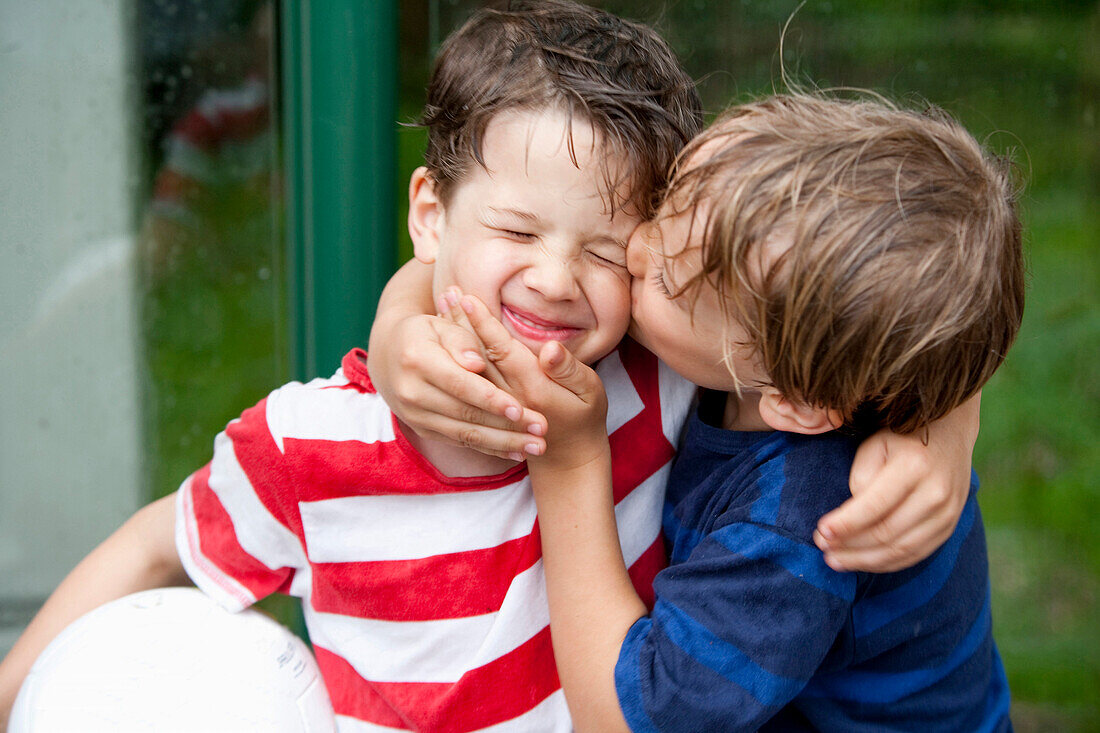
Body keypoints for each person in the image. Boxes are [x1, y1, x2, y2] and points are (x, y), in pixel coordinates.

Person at [0, 2, 704, 730]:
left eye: (604, 252)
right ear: (430, 215)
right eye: (516, 229)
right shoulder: (308, 442)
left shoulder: (653, 385)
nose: (557, 279)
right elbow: (157, 546)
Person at [436, 92, 1023, 731]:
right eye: (665, 205)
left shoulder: (799, 526)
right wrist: (397, 327)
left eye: (671, 282)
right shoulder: (779, 332)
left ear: (794, 404)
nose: (634, 246)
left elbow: (625, 720)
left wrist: (571, 466)